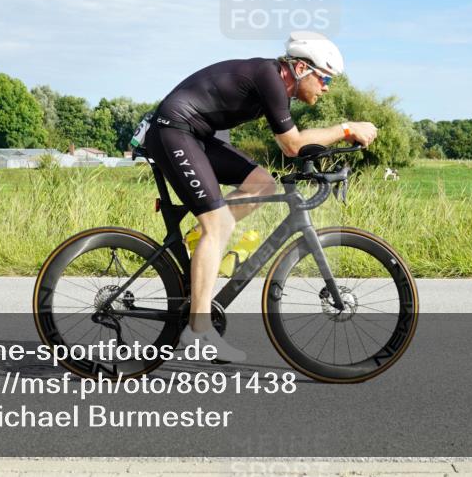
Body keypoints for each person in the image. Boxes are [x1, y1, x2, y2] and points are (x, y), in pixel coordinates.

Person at [143, 31, 378, 362]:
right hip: (173, 131)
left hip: (195, 134)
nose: (326, 87)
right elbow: (293, 145)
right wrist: (347, 129)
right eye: (324, 78)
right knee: (219, 225)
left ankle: (201, 237)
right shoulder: (269, 78)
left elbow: (295, 147)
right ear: (300, 68)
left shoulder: (275, 85)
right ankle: (197, 330)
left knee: (262, 183)